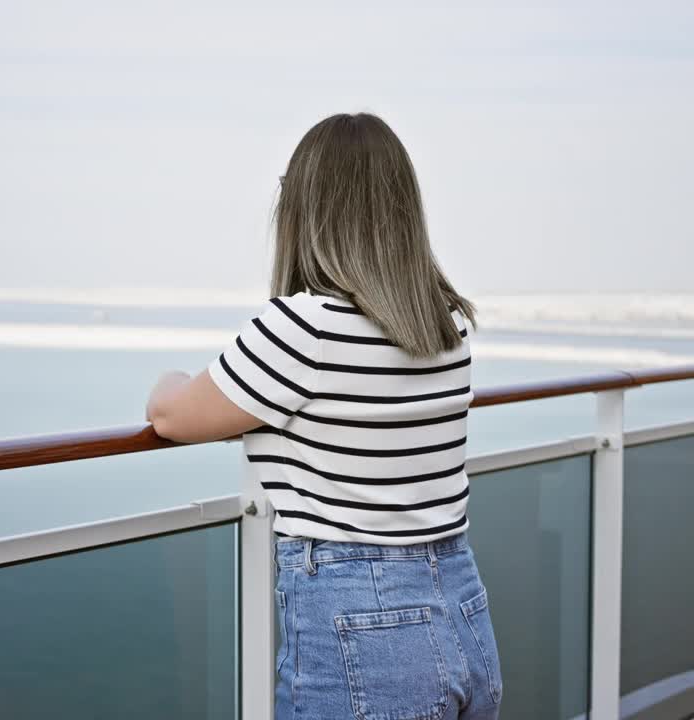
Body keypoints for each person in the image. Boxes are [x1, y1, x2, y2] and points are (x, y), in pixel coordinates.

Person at [145, 112, 501, 720]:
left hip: (363, 624)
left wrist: (171, 380)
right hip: (462, 608)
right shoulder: (448, 330)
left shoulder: (304, 328)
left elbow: (171, 415)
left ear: (307, 212)